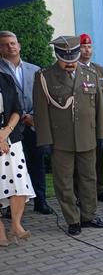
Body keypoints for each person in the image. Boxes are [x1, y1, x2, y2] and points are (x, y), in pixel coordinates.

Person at [33, 36, 103, 235]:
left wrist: (102, 134)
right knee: (64, 182)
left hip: (88, 137)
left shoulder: (91, 74)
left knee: (89, 178)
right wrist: (44, 140)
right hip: (61, 141)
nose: (69, 62)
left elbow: (99, 108)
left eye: (73, 57)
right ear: (57, 55)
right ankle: (72, 219)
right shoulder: (44, 76)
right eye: (64, 57)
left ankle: (89, 216)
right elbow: (41, 112)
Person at [0, 31, 53, 214]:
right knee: (10, 168)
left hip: (31, 123)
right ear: (0, 48)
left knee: (37, 162)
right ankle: (9, 208)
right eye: (5, 44)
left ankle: (41, 201)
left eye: (13, 43)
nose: (10, 47)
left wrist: (33, 118)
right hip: (9, 127)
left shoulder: (35, 69)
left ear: (19, 45)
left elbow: (43, 98)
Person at [77, 33, 103, 202]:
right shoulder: (73, 69)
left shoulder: (99, 70)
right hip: (81, 126)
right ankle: (81, 194)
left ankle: (99, 190)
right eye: (83, 47)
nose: (87, 50)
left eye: (89, 46)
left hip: (99, 124)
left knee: (98, 159)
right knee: (82, 161)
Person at [0, 71, 34, 244]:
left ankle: (15, 225)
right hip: (2, 140)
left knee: (19, 184)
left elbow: (16, 109)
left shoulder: (5, 78)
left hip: (11, 139)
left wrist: (6, 132)